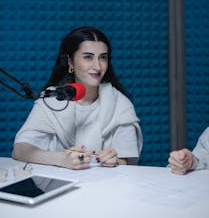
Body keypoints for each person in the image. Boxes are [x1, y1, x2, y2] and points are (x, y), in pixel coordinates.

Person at [12, 26, 143, 170]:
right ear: (70, 62)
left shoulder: (121, 105)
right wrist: (61, 159)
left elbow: (126, 161)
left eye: (103, 57)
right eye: (88, 57)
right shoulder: (51, 100)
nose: (97, 66)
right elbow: (20, 150)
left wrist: (115, 161)